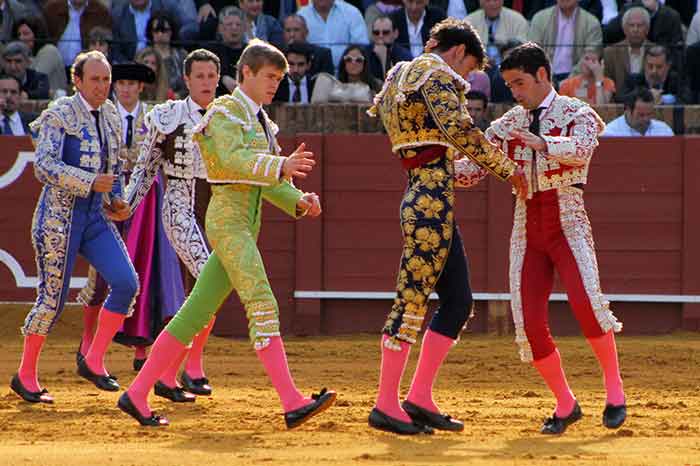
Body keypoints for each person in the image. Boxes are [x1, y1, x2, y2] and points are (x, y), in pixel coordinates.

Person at [118, 40, 336, 428]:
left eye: (280, 79)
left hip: (244, 224)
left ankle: (136, 394)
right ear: (246, 73)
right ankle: (291, 400)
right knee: (261, 298)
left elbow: (265, 178)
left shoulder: (261, 122)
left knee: (194, 313)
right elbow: (232, 162)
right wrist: (280, 165)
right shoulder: (223, 112)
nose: (275, 85)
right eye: (269, 77)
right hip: (227, 222)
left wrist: (298, 200)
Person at [367, 17, 526, 435]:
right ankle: (385, 403)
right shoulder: (436, 74)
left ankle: (418, 396)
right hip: (430, 203)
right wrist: (507, 169)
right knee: (412, 301)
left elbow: (424, 144)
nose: (466, 77)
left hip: (425, 193)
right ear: (457, 52)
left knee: (458, 300)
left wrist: (446, 164)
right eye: (469, 68)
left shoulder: (398, 76)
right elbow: (461, 130)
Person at [466, 41, 626, 435]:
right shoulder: (507, 124)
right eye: (510, 86)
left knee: (588, 305)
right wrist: (431, 165)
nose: (515, 94)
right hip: (527, 227)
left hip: (568, 221)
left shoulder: (578, 113)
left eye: (520, 83)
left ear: (542, 75)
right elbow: (474, 169)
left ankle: (614, 391)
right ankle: (565, 402)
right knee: (529, 323)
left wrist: (544, 143)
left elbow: (584, 149)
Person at [10, 50, 138, 403]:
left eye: (106, 79)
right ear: (77, 81)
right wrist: (89, 181)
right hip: (59, 218)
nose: (102, 86)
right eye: (95, 79)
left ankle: (93, 358)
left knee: (127, 282)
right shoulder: (59, 115)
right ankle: (25, 374)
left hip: (95, 217)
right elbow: (44, 166)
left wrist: (117, 199)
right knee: (51, 301)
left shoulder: (111, 115)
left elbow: (114, 167)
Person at [121, 49, 223, 399]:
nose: (206, 82)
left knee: (207, 292)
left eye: (212, 76)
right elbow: (146, 168)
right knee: (208, 285)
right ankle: (171, 374)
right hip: (181, 210)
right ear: (187, 80)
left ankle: (189, 367)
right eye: (200, 76)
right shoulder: (168, 117)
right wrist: (127, 204)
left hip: (219, 215)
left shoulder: (229, 117)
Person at [602, 86, 673, 136]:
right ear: (628, 110)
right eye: (641, 115)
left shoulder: (664, 130)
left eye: (649, 114)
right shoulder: (611, 133)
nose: (646, 119)